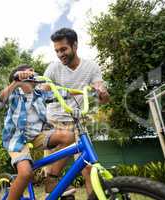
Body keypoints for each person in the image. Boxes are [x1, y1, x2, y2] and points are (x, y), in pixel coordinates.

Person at [43, 27, 109, 195]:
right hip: (54, 122)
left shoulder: (91, 67)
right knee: (52, 177)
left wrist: (101, 91)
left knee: (87, 167)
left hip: (78, 122)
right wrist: (46, 88)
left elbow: (103, 97)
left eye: (63, 49)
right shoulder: (53, 68)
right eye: (57, 51)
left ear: (75, 45)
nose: (60, 54)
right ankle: (53, 180)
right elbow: (42, 90)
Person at [0, 64, 75, 200]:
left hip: (37, 135)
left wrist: (89, 91)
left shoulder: (40, 94)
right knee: (26, 174)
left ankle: (52, 179)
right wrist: (16, 81)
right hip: (16, 140)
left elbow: (63, 93)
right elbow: (0, 99)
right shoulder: (14, 94)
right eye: (29, 72)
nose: (33, 74)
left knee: (69, 137)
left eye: (33, 72)